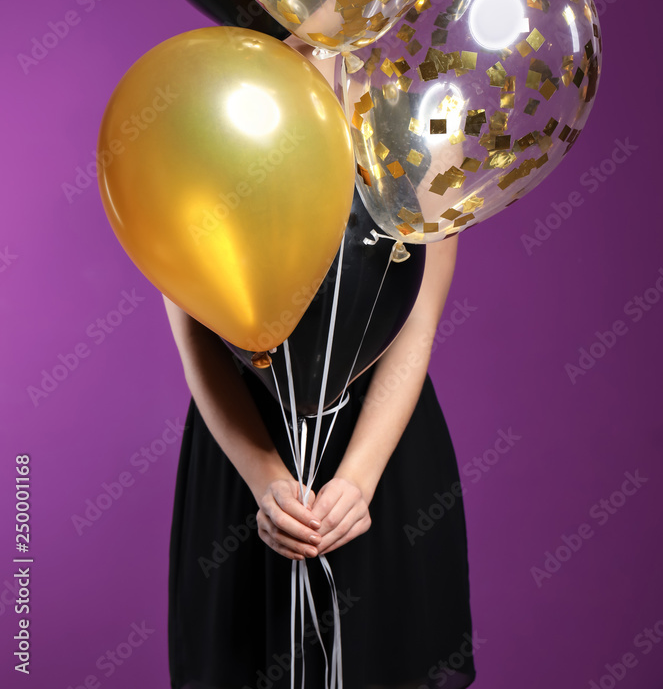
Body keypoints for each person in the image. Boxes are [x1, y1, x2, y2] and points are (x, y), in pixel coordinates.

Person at [165, 35, 476, 689]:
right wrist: (265, 479)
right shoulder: (203, 100)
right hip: (244, 448)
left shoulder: (426, 108)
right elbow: (191, 324)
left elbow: (418, 322)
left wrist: (359, 481)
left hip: (383, 450)